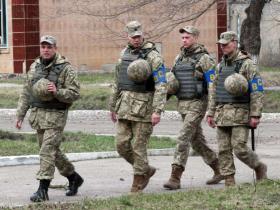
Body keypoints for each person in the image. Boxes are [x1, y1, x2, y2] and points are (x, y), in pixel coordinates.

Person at [16, 35, 83, 202]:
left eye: (49, 47)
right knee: (51, 151)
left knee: (47, 151)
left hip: (56, 116)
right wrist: (20, 115)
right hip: (39, 115)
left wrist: (57, 91)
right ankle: (74, 178)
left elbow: (74, 94)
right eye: (43, 46)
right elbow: (26, 92)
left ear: (55, 48)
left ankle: (42, 190)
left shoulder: (66, 69)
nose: (45, 50)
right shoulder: (35, 66)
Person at [109, 21, 167, 193]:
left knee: (139, 147)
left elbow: (162, 84)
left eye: (138, 36)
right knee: (121, 145)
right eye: (133, 36)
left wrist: (157, 111)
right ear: (127, 36)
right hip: (125, 106)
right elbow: (117, 81)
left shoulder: (153, 56)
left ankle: (138, 182)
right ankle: (146, 170)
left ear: (142, 35)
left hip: (144, 108)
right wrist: (112, 106)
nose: (136, 39)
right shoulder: (124, 53)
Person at [163, 26, 224, 190]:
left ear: (195, 38)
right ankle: (219, 169)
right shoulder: (178, 59)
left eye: (187, 37)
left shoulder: (205, 59)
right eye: (183, 38)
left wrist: (211, 110)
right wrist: (161, 102)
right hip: (182, 104)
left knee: (183, 137)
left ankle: (175, 177)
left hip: (198, 103)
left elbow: (212, 85)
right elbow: (172, 82)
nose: (184, 40)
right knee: (196, 142)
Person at [206, 31, 267, 186]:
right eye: (221, 45)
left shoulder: (247, 64)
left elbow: (257, 90)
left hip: (240, 113)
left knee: (239, 148)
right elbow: (213, 90)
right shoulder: (219, 66)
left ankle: (259, 166)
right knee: (223, 149)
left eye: (226, 44)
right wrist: (210, 112)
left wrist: (255, 114)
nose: (223, 47)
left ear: (234, 42)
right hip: (221, 113)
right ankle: (229, 181)